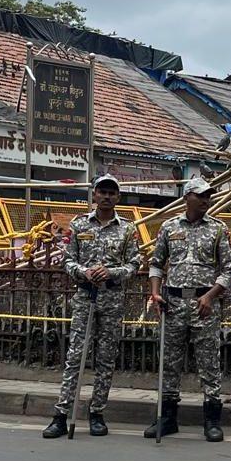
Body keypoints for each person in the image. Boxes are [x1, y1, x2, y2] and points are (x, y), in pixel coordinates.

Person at [42, 174, 142, 439]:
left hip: (112, 298)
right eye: (102, 191)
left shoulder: (127, 229)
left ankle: (97, 412)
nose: (107, 196)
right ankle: (61, 414)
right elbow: (67, 260)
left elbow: (134, 264)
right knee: (76, 356)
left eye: (112, 192)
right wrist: (84, 272)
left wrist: (111, 272)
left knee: (106, 359)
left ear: (118, 197)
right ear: (94, 194)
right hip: (85, 297)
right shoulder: (78, 225)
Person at [144, 176, 231, 442]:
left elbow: (228, 272)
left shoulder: (218, 229)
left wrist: (210, 296)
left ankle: (212, 419)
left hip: (204, 304)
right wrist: (155, 293)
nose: (206, 200)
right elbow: (156, 264)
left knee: (209, 362)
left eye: (208, 196)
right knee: (169, 362)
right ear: (187, 198)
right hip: (173, 303)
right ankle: (167, 417)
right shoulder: (169, 227)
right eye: (200, 195)